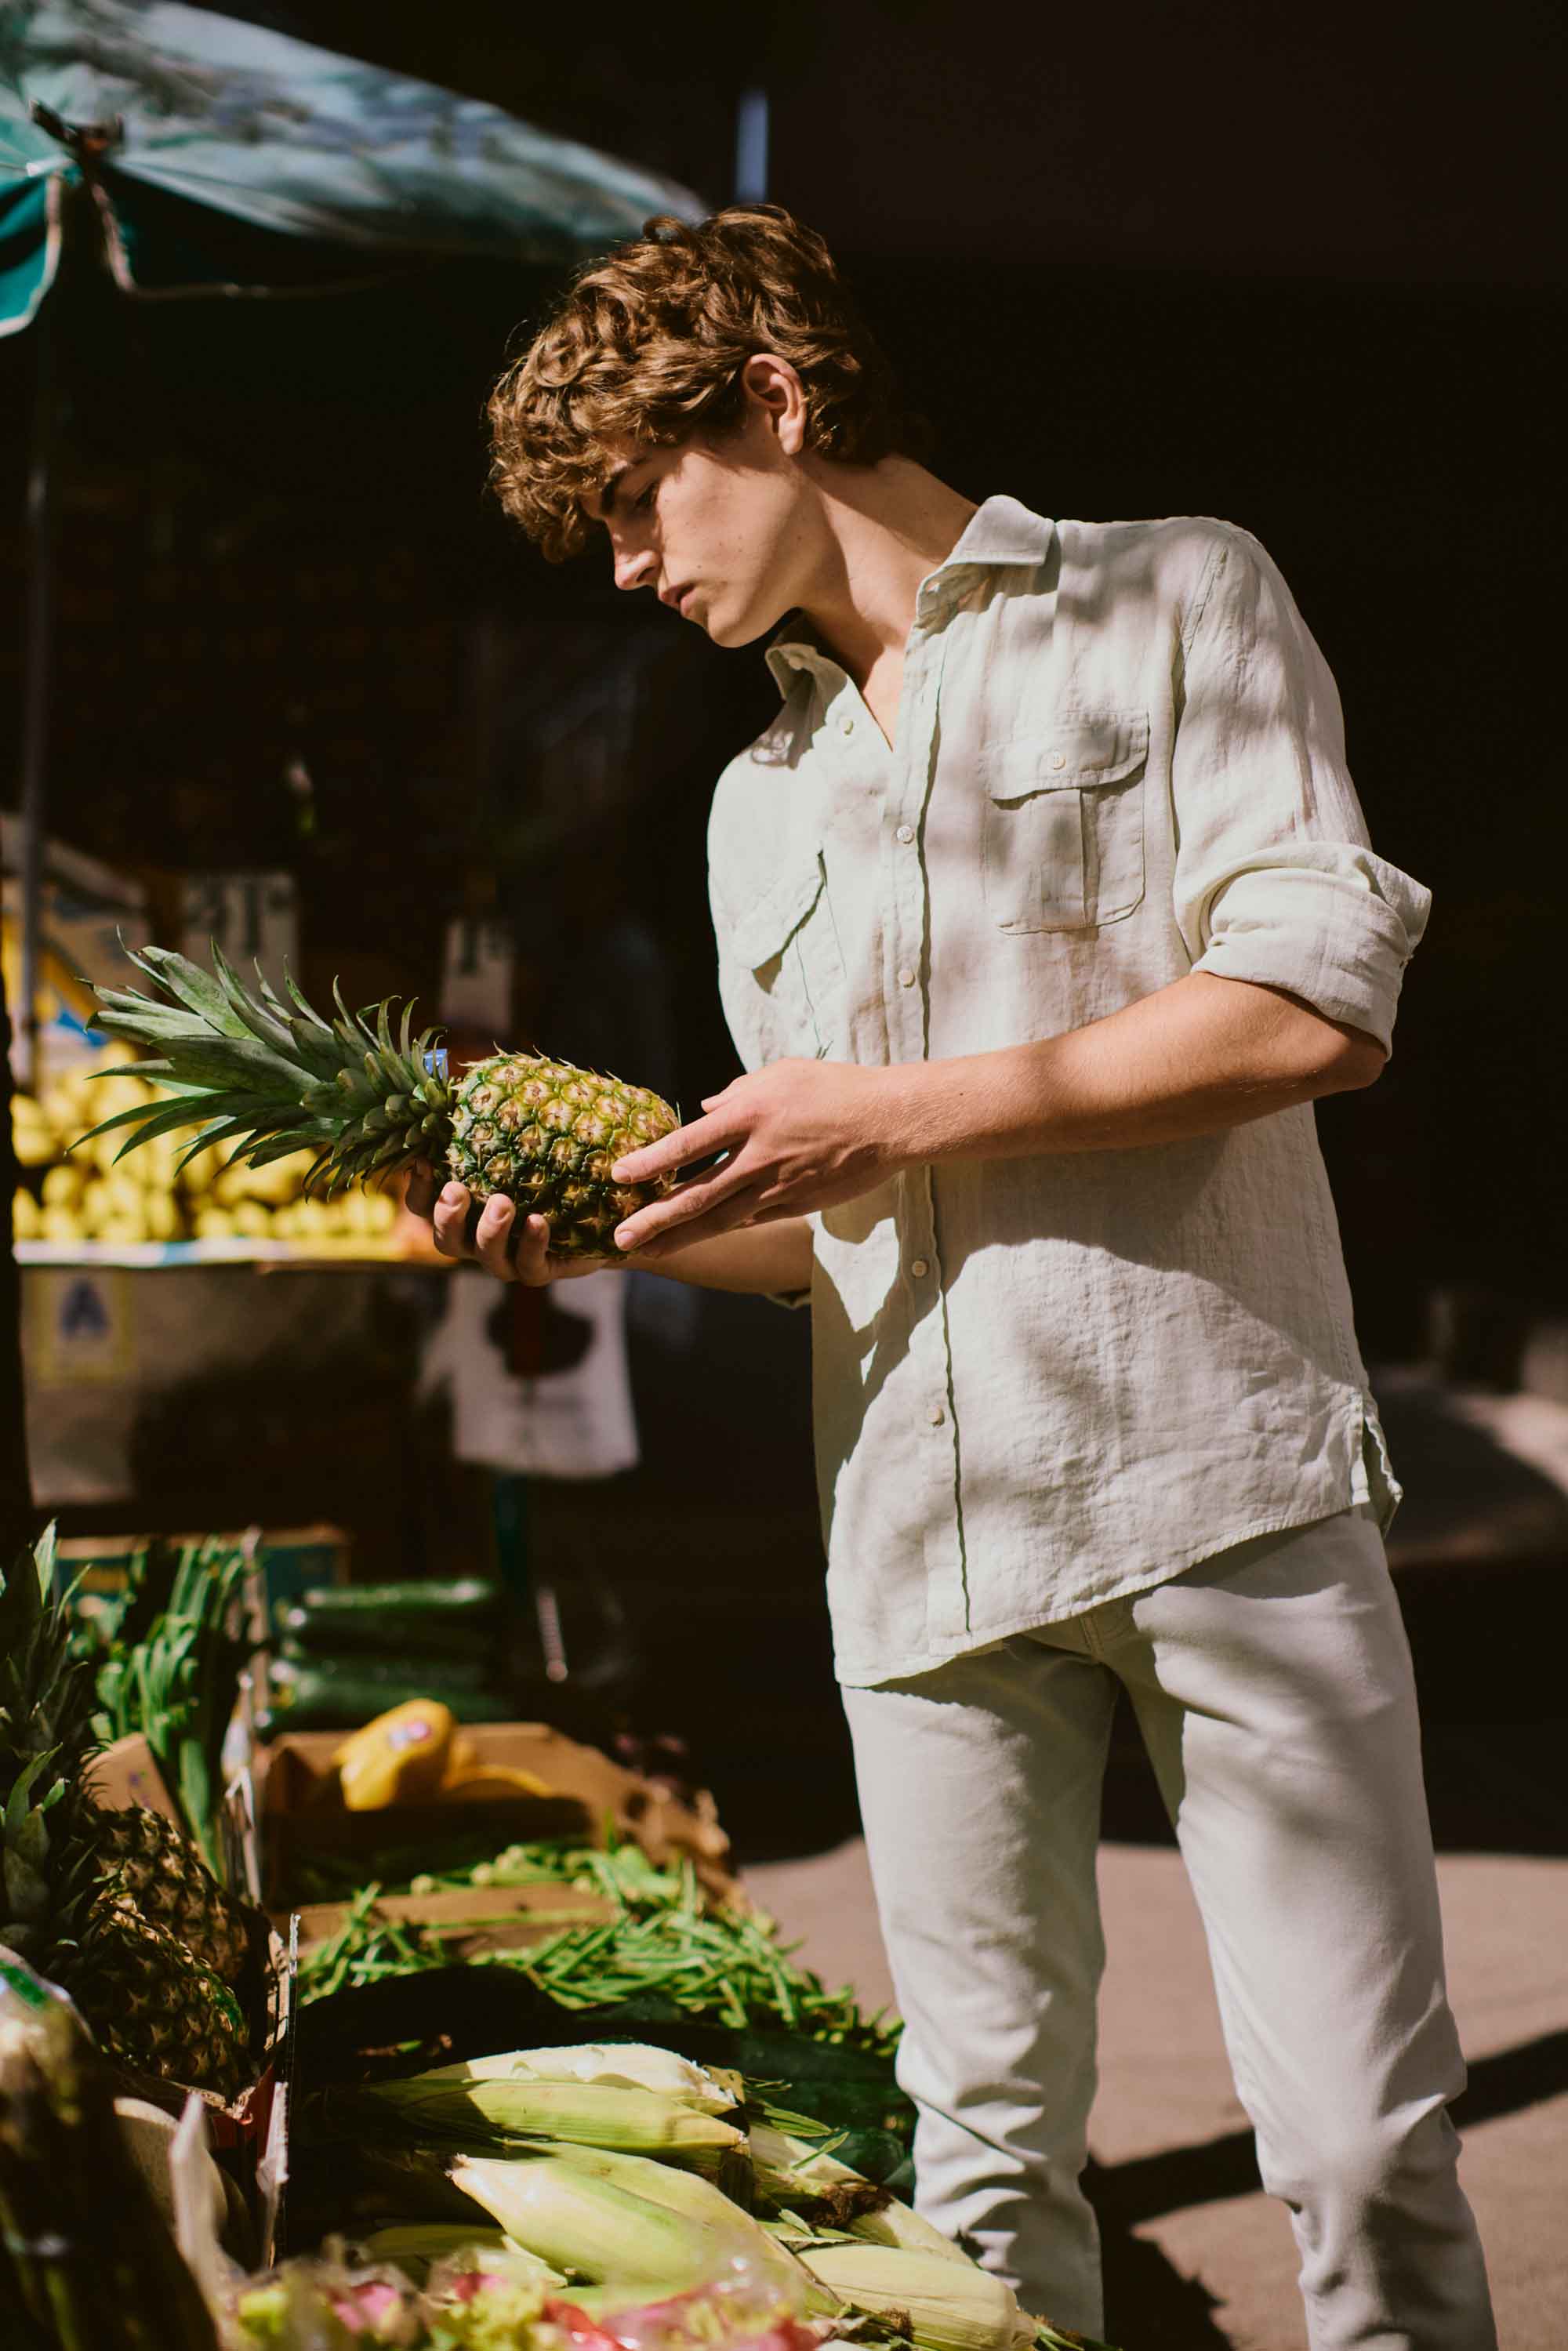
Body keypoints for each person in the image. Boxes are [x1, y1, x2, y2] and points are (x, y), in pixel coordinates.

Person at [408, 206, 1495, 2349]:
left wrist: (885, 1115)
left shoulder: (1178, 591)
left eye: (639, 502)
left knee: (1364, 2149)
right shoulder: (757, 800)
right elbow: (827, 1234)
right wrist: (619, 1227)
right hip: (915, 1537)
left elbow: (1307, 1008)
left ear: (779, 403)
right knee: (981, 2174)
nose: (629, 569)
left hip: (1220, 1485)